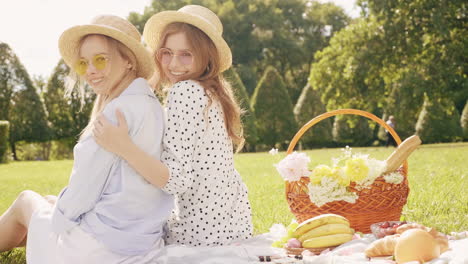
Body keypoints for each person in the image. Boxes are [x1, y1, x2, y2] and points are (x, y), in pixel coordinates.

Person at [0, 15, 173, 263]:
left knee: (26, 201)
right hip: (140, 240)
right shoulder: (152, 106)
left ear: (128, 60)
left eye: (101, 60)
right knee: (49, 203)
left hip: (97, 249)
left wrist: (56, 222)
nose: (90, 71)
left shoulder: (116, 113)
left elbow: (81, 194)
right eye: (83, 64)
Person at [93, 5, 253, 247]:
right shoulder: (211, 92)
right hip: (230, 228)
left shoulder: (185, 92)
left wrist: (123, 146)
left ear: (206, 56)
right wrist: (159, 70)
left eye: (186, 54)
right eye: (166, 52)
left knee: (94, 222)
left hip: (195, 235)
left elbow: (177, 180)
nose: (174, 64)